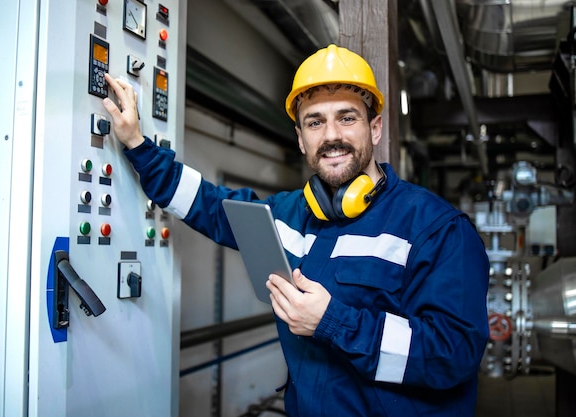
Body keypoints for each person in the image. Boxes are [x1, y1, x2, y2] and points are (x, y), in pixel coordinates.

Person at [102, 44, 490, 417]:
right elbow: (210, 207)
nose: (331, 135)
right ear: (301, 139)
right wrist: (138, 145)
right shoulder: (288, 214)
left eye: (347, 117)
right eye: (315, 122)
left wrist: (332, 323)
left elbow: (453, 354)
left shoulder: (437, 229)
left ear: (374, 129)